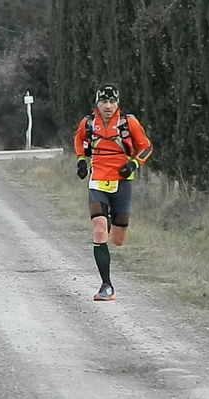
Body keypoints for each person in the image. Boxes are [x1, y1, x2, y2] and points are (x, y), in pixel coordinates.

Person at [74, 84, 154, 301]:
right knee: (100, 231)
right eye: (103, 102)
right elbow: (79, 140)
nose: (108, 106)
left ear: (117, 103)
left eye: (112, 102)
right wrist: (82, 161)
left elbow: (146, 146)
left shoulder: (129, 123)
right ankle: (106, 286)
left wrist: (134, 164)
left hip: (122, 183)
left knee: (117, 239)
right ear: (97, 104)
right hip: (97, 180)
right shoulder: (88, 123)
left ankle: (109, 220)